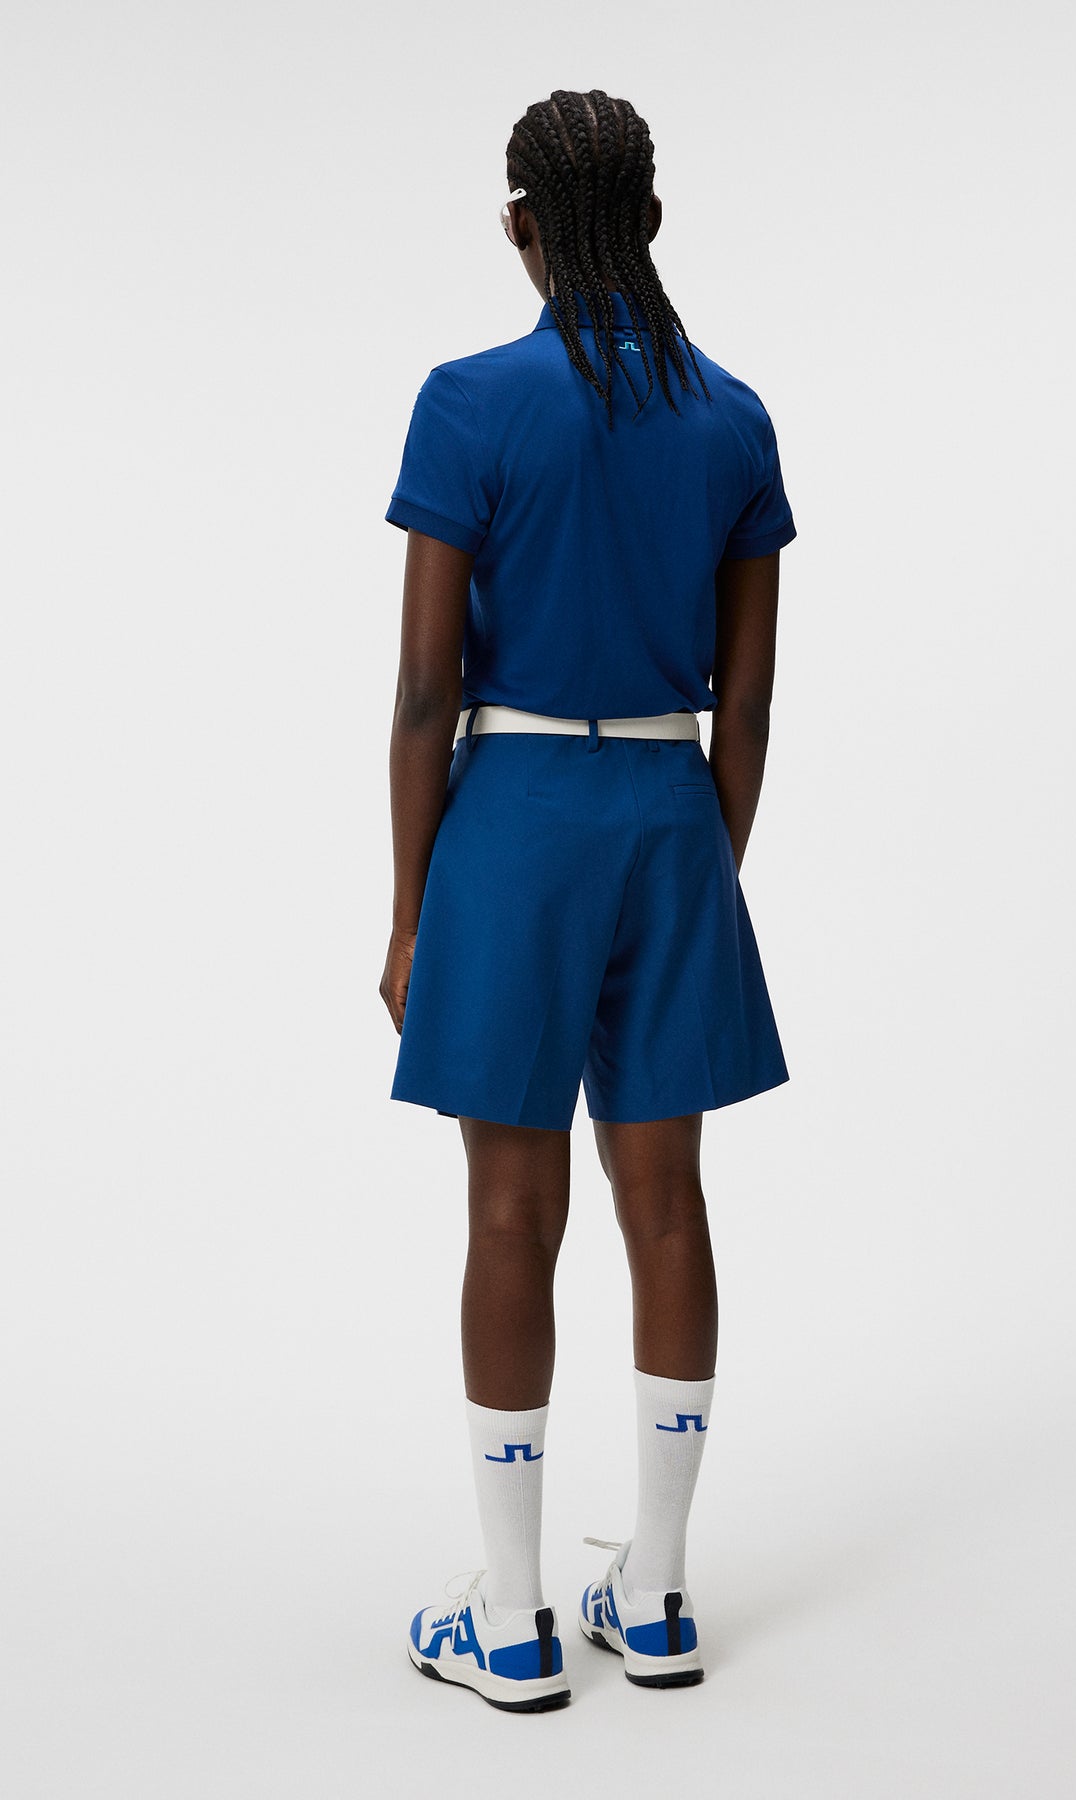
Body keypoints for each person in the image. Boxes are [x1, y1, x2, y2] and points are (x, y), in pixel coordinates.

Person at [379, 88, 797, 1712]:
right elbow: (748, 705)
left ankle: (509, 1620)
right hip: (671, 812)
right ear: (655, 223)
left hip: (516, 818)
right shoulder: (734, 417)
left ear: (520, 227)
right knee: (668, 1204)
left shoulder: (470, 402)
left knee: (509, 1213)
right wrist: (703, 868)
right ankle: (663, 1597)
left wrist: (410, 909)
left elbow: (428, 690)